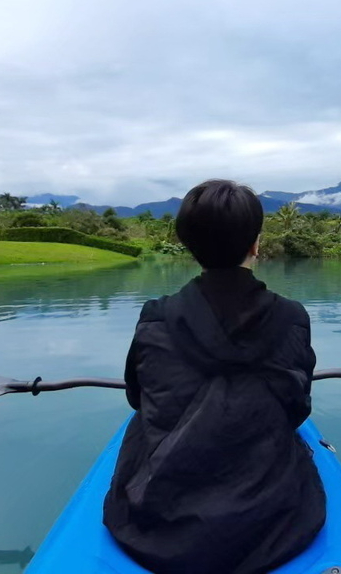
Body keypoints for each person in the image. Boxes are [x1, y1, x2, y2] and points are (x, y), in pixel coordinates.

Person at [103, 179, 326, 574]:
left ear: (188, 245)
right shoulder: (293, 318)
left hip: (156, 524)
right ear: (256, 243)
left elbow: (138, 400)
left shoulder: (155, 316)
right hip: (273, 525)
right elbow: (297, 408)